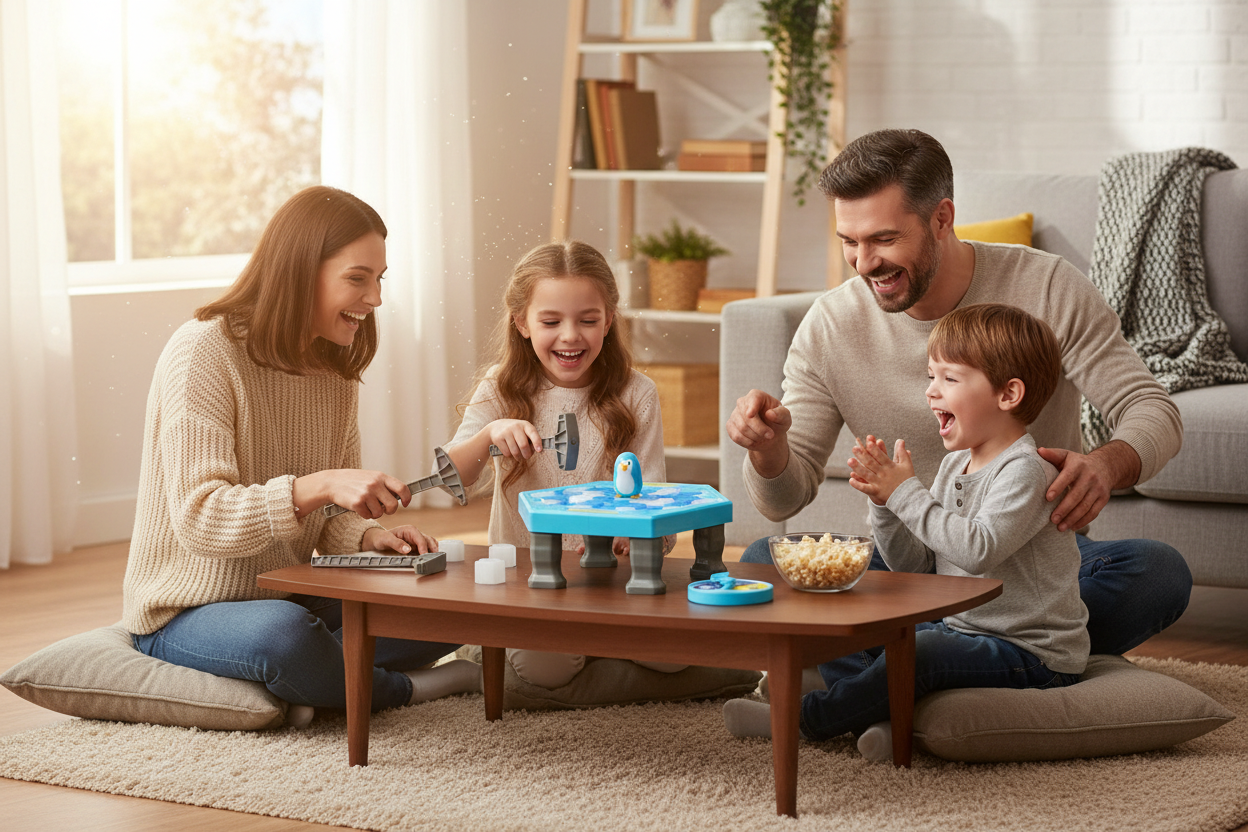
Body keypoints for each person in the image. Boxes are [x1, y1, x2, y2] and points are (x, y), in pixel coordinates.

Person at [727, 127, 1190, 658]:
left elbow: (1151, 409)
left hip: (1018, 565)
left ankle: (894, 656)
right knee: (765, 560)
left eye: (883, 239)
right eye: (849, 242)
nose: (863, 263)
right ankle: (961, 655)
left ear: (941, 219)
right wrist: (767, 451)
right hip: (903, 561)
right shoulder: (830, 324)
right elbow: (784, 498)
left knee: (1157, 572)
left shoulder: (1046, 286)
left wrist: (1108, 463)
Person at [123, 186, 482, 729]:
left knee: (458, 592)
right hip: (187, 610)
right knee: (284, 637)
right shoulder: (202, 351)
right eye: (357, 278)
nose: (375, 299)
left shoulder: (333, 373)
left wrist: (367, 538)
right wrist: (316, 485)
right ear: (299, 270)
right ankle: (406, 688)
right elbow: (200, 518)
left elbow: (325, 523)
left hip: (297, 592)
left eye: (379, 280)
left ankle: (307, 681)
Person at [724, 303, 1090, 760]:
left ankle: (806, 720)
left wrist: (905, 494)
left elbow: (978, 550)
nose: (931, 392)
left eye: (949, 379)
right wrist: (884, 506)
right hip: (962, 631)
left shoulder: (1027, 471)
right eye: (930, 377)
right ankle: (883, 714)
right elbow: (915, 566)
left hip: (1031, 654)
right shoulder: (957, 462)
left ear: (1008, 394)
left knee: (925, 650)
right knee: (855, 616)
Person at [444, 240, 684, 689]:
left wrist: (634, 537)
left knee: (675, 656)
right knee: (546, 669)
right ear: (521, 322)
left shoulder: (637, 393)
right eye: (551, 321)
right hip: (529, 580)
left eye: (588, 321)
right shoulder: (501, 388)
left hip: (611, 581)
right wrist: (489, 435)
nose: (571, 335)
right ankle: (524, 651)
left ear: (609, 320)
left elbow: (658, 504)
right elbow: (454, 476)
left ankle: (554, 656)